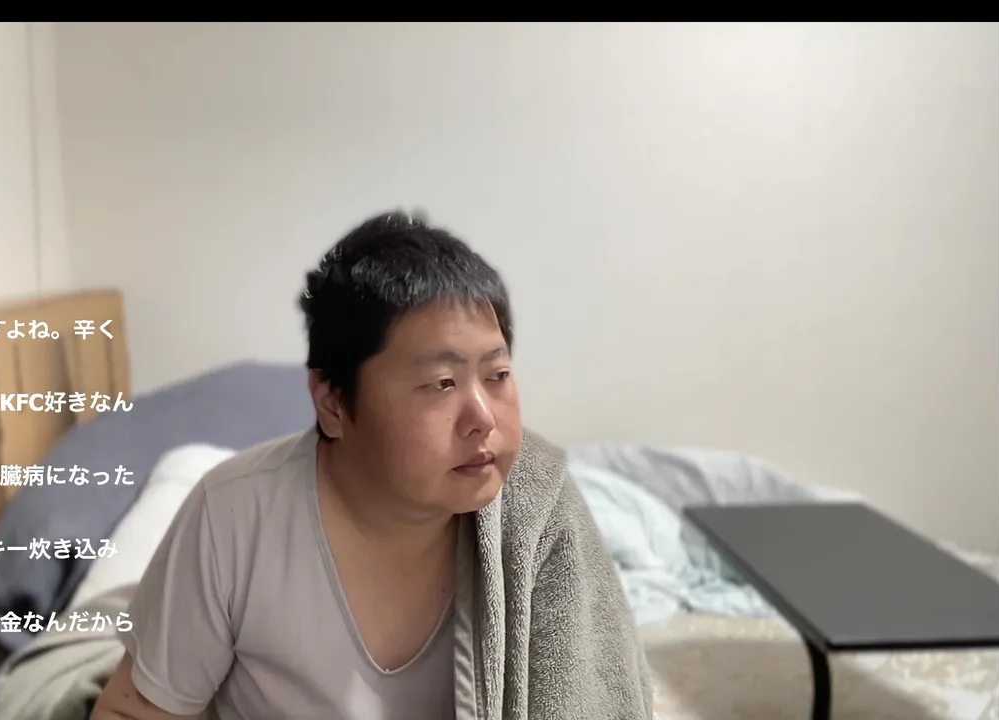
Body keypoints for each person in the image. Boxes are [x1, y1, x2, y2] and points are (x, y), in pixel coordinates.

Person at [91, 211, 653, 720]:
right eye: (441, 383)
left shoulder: (538, 510)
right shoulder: (233, 515)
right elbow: (131, 711)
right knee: (175, 487)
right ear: (334, 404)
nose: (483, 418)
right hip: (213, 518)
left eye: (497, 375)